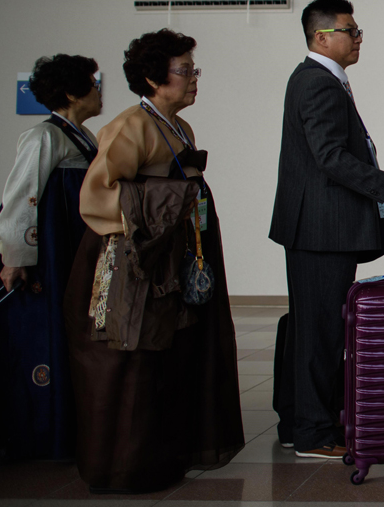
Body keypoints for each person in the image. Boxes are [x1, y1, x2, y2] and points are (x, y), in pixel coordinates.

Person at [64, 29, 243, 492]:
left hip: (173, 254)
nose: (193, 79)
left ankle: (167, 455)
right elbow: (97, 196)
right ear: (152, 77)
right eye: (184, 71)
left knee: (173, 357)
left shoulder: (178, 126)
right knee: (132, 360)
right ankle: (125, 466)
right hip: (133, 260)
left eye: (193, 69)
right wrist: (170, 198)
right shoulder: (129, 126)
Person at [269, 0, 384, 459]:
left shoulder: (318, 79)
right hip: (321, 230)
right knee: (319, 333)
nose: (358, 39)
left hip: (315, 228)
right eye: (350, 30)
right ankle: (315, 433)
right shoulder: (318, 83)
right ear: (322, 36)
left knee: (306, 328)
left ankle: (296, 421)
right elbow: (331, 157)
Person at [0, 54, 101, 461]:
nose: (98, 89)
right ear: (73, 92)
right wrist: (16, 257)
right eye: (92, 83)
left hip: (75, 246)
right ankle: (43, 435)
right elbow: (21, 198)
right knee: (48, 338)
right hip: (52, 253)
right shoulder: (43, 137)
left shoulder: (83, 135)